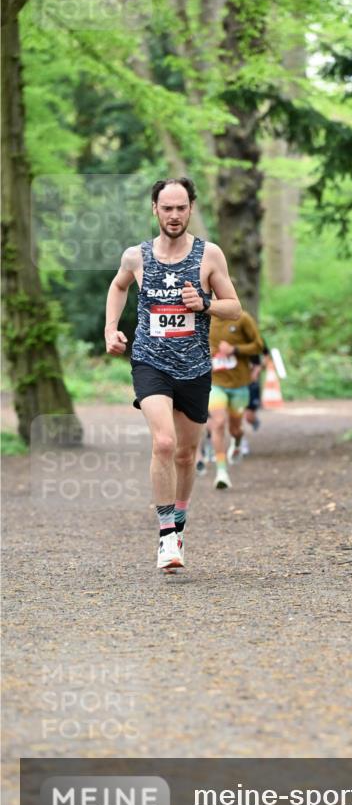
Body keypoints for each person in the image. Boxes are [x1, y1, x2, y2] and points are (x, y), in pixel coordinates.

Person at [104, 177, 241, 570]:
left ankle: (178, 524)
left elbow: (235, 307)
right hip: (150, 363)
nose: (175, 215)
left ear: (191, 209)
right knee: (163, 443)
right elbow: (118, 286)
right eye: (167, 208)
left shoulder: (209, 255)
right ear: (155, 210)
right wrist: (111, 328)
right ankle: (166, 538)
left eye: (181, 208)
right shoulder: (137, 256)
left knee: (185, 454)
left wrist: (206, 303)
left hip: (195, 366)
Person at [208, 310, 263, 489]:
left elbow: (258, 346)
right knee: (218, 423)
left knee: (235, 429)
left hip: (239, 385)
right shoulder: (204, 318)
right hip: (215, 383)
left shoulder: (243, 318)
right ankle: (221, 472)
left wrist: (235, 350)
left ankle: (238, 441)